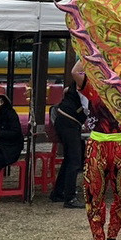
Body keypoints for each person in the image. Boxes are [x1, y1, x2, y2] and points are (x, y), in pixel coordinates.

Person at [73, 60, 121, 240]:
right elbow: (76, 71)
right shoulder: (94, 88)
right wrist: (90, 49)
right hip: (98, 145)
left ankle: (113, 238)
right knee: (94, 194)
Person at [49, 75, 86, 209]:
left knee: (70, 159)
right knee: (75, 160)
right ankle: (70, 197)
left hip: (68, 121)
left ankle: (58, 192)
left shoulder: (83, 81)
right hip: (68, 121)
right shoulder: (84, 80)